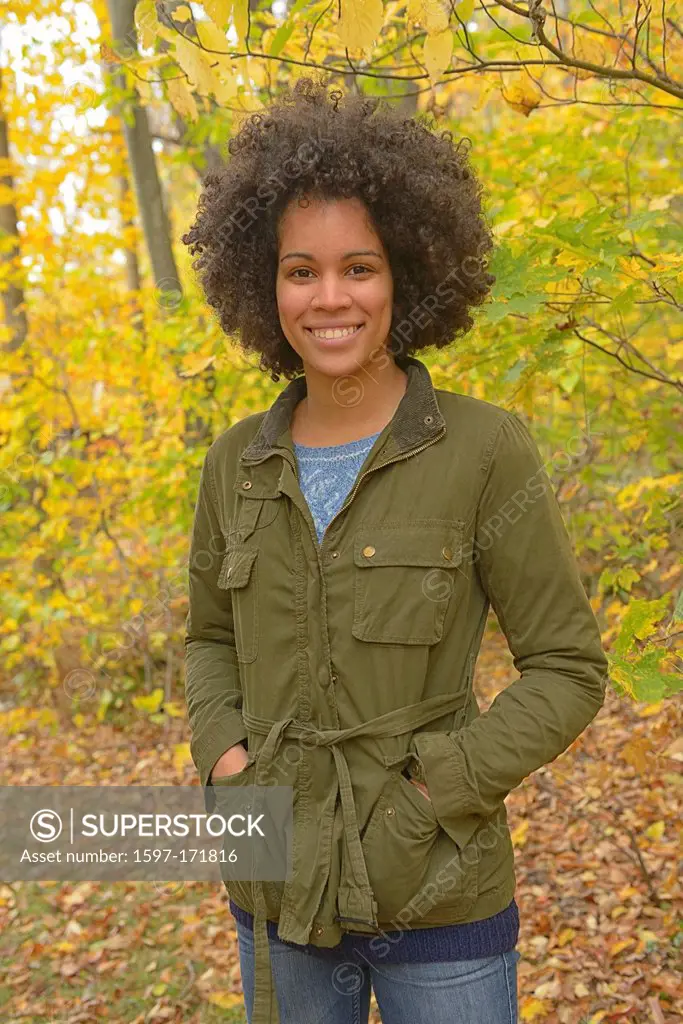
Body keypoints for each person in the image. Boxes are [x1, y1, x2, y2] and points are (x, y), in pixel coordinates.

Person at [181, 76, 609, 1024]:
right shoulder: (233, 465)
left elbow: (568, 667)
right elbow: (208, 640)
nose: (329, 298)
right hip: (275, 880)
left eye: (359, 267)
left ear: (406, 274)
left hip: (437, 886)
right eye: (300, 270)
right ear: (263, 284)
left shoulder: (483, 449)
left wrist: (430, 790)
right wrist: (228, 763)